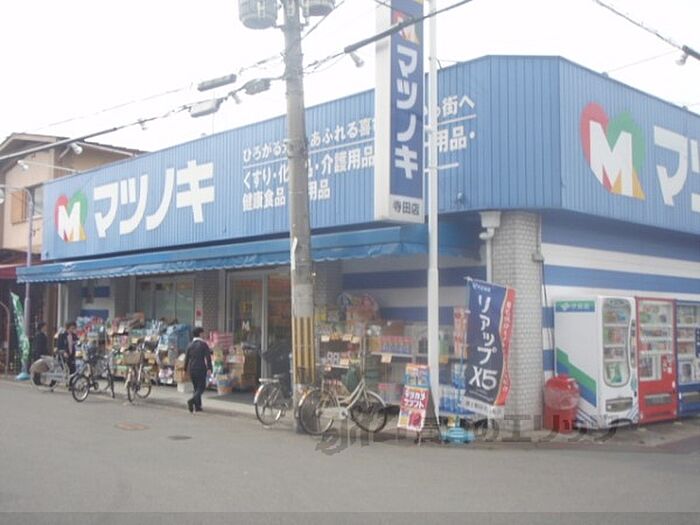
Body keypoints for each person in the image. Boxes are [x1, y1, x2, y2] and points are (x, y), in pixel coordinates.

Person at [184, 327, 212, 413]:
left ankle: (197, 406)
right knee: (201, 387)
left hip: (192, 368)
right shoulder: (203, 344)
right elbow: (208, 357)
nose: (204, 335)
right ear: (200, 334)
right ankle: (192, 400)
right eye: (203, 333)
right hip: (201, 368)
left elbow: (186, 359)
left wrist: (185, 370)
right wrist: (209, 368)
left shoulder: (190, 345)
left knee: (196, 388)